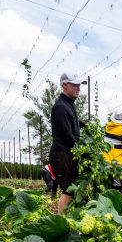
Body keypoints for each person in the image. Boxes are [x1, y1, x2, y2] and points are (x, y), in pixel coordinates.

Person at [50, 72, 87, 214]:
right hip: (62, 154)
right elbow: (66, 134)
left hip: (68, 153)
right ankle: (60, 219)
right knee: (68, 189)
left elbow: (70, 121)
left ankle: (65, 218)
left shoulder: (68, 104)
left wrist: (82, 124)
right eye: (75, 85)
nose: (78, 89)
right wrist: (82, 150)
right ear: (65, 85)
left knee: (71, 188)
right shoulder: (60, 107)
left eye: (79, 86)